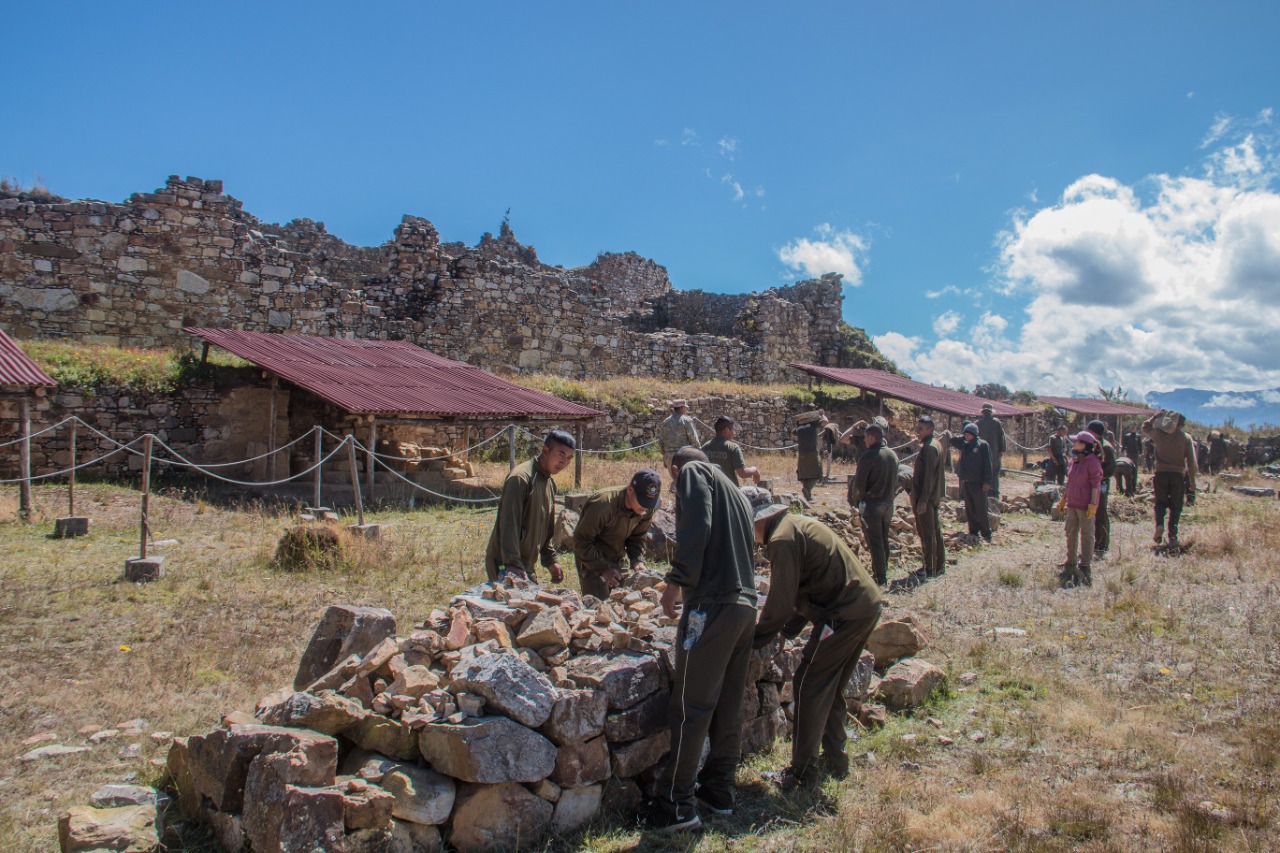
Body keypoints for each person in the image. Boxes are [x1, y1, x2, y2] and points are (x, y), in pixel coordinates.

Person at [641, 447, 757, 831]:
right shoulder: (736, 491)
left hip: (710, 607)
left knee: (691, 706)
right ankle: (718, 790)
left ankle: (676, 804)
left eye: (671, 480)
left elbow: (696, 528)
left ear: (676, 468)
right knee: (727, 704)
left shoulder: (693, 471)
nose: (675, 486)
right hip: (743, 607)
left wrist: (677, 581)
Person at [745, 487, 882, 790]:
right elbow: (803, 590)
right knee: (827, 686)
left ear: (756, 519)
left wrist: (756, 639)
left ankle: (803, 772)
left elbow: (781, 599)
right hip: (862, 607)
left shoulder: (781, 540)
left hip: (843, 614)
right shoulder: (794, 525)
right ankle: (836, 758)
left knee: (809, 682)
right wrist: (785, 632)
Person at [484, 429, 576, 583]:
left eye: (569, 458)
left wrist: (550, 560)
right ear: (545, 450)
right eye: (561, 455)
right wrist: (511, 563)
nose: (564, 462)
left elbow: (546, 528)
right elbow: (509, 523)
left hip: (525, 564)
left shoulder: (549, 483)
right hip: (505, 563)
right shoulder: (520, 478)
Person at [571, 469, 660, 600]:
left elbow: (638, 537)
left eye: (649, 503)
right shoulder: (603, 504)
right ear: (630, 490)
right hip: (592, 558)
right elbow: (581, 541)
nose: (646, 507)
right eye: (642, 501)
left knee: (620, 604)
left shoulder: (646, 508)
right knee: (597, 606)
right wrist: (603, 569)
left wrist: (637, 560)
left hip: (617, 557)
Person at [847, 418, 899, 585]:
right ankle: (884, 570)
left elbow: (859, 486)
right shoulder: (892, 455)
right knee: (884, 539)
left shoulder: (867, 457)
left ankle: (880, 578)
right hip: (888, 504)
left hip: (872, 505)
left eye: (865, 437)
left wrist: (856, 502)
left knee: (875, 542)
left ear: (871, 437)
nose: (863, 440)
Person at [1141, 410, 1198, 548]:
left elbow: (1145, 428)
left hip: (1160, 474)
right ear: (1182, 424)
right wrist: (1192, 481)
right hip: (1178, 475)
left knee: (1160, 503)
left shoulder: (1160, 435)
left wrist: (1155, 417)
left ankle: (1159, 524)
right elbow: (1192, 462)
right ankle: (1172, 536)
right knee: (1176, 506)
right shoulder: (1186, 438)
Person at [1054, 431, 1102, 587]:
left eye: (1077, 442)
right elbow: (1070, 482)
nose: (1074, 444)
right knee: (1070, 532)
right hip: (1072, 504)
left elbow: (1096, 485)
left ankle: (1085, 565)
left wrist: (1093, 504)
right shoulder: (1074, 461)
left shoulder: (1093, 462)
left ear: (1084, 445)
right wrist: (1064, 499)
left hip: (1085, 505)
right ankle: (1071, 561)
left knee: (1087, 534)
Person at [909, 415, 946, 579]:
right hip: (933, 495)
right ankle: (938, 565)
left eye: (921, 429)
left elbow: (929, 476)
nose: (918, 432)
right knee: (935, 532)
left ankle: (930, 568)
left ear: (930, 429)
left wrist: (922, 500)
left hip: (927, 497)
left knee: (928, 533)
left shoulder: (929, 448)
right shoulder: (935, 444)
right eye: (917, 428)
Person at [947, 423, 993, 542]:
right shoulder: (965, 445)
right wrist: (963, 436)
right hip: (967, 481)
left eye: (968, 433)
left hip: (978, 482)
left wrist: (987, 481)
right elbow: (952, 441)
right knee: (969, 508)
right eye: (965, 433)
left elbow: (988, 464)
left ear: (974, 433)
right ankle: (973, 531)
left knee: (981, 508)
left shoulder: (982, 445)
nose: (966, 435)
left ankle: (986, 533)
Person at [700, 416, 760, 486]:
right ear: (726, 430)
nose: (734, 433)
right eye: (733, 430)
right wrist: (754, 470)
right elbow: (742, 473)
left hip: (711, 491)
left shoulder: (704, 447)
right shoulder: (733, 448)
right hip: (729, 492)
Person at [1086, 420, 1116, 558]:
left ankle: (1102, 544)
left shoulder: (1107, 448)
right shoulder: (1088, 445)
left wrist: (1096, 477)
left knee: (1101, 514)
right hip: (1088, 485)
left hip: (1100, 485)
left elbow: (1110, 470)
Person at [975, 403, 1006, 498]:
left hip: (981, 454)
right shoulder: (996, 422)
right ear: (991, 412)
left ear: (983, 411)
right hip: (995, 453)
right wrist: (1002, 450)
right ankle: (995, 494)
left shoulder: (978, 423)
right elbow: (1002, 438)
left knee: (983, 473)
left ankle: (984, 494)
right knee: (995, 473)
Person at [659, 400, 700, 471]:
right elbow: (694, 441)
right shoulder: (686, 421)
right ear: (683, 408)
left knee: (676, 480)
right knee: (685, 480)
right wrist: (699, 455)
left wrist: (664, 457)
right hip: (683, 456)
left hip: (669, 457)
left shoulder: (666, 421)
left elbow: (661, 441)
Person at [793, 412, 823, 502]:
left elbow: (793, 432)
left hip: (802, 454)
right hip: (812, 453)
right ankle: (807, 489)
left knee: (805, 474)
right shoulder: (813, 425)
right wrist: (821, 414)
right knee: (817, 473)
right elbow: (825, 421)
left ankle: (808, 495)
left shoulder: (798, 429)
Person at [820, 415, 840, 482]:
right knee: (829, 449)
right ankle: (828, 450)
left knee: (829, 449)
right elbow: (836, 436)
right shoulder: (831, 426)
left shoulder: (832, 426)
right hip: (828, 434)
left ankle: (828, 450)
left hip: (828, 434)